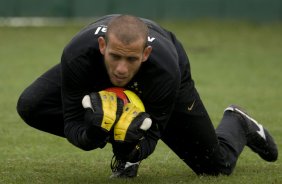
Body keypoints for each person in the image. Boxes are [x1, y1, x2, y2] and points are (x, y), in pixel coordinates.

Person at [16, 14, 278, 178]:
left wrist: (132, 146)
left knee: (214, 168)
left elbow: (152, 136)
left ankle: (238, 122)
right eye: (115, 56)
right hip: (96, 71)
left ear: (145, 54)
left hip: (165, 73)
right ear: (102, 46)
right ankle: (122, 148)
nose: (121, 68)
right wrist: (92, 136)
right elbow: (72, 121)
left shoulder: (164, 71)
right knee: (31, 106)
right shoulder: (78, 56)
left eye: (130, 59)